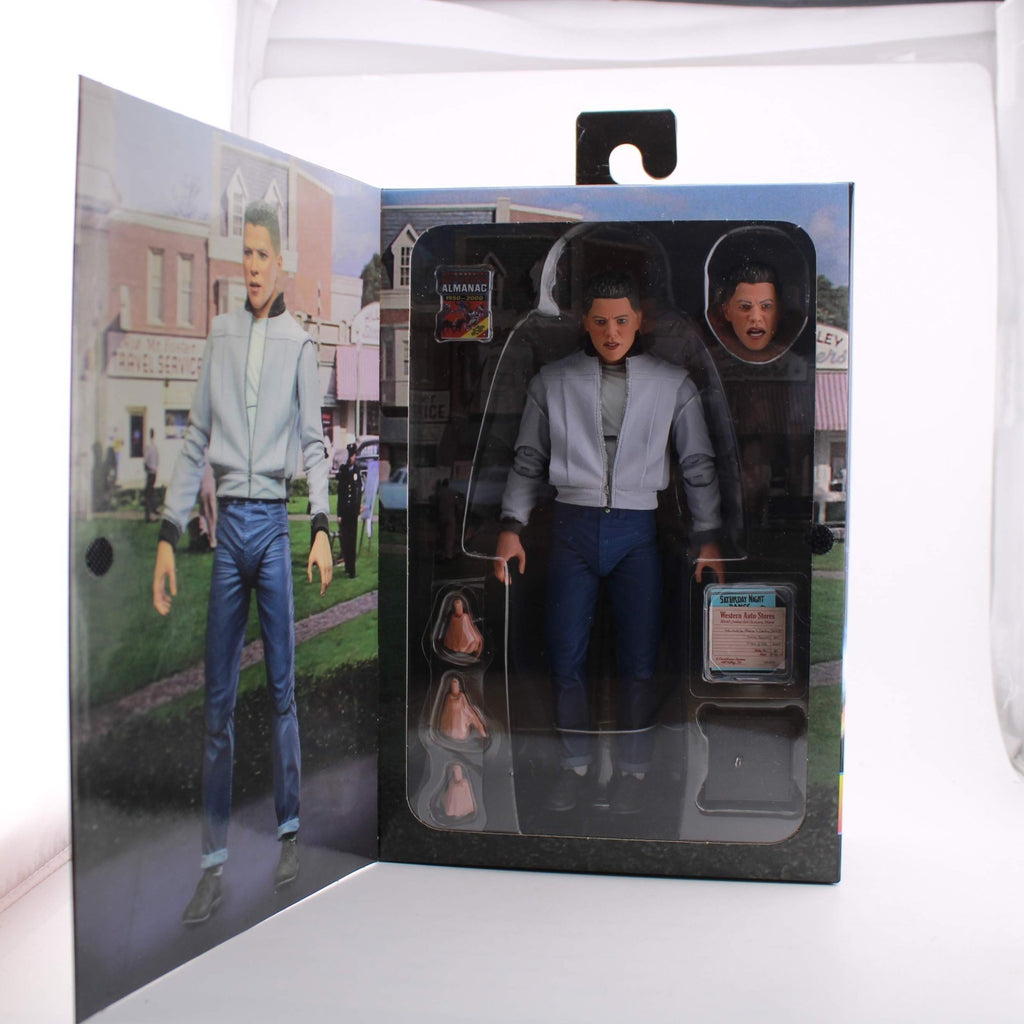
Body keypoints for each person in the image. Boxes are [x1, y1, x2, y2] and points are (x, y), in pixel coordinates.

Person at [152, 200, 333, 926]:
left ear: (280, 261)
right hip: (228, 532)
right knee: (217, 703)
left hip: (272, 529)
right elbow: (196, 437)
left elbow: (314, 443)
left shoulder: (300, 344)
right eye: (247, 253)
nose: (254, 266)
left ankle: (289, 835)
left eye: (264, 254)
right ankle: (212, 866)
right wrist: (169, 534)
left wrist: (320, 526)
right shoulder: (220, 336)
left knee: (283, 691)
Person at [493, 270, 724, 815]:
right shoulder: (552, 381)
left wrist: (709, 535)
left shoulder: (672, 383)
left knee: (640, 661)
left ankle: (635, 771)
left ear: (640, 319)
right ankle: (574, 767)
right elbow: (527, 458)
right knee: (565, 656)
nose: (611, 332)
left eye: (621, 320)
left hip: (638, 532)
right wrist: (511, 525)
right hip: (570, 529)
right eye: (600, 321)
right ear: (584, 321)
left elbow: (697, 464)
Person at [714, 262, 786, 362]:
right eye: (745, 307)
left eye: (766, 306)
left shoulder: (797, 365)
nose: (755, 317)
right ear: (727, 311)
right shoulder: (709, 360)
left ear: (779, 311)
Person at [336, 443, 363, 578]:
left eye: (354, 455)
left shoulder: (357, 471)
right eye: (351, 455)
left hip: (352, 512)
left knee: (352, 541)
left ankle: (352, 570)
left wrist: (358, 508)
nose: (353, 458)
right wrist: (339, 514)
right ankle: (347, 566)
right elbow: (341, 493)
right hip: (344, 511)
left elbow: (358, 491)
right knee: (345, 540)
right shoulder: (343, 470)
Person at [143, 428, 159, 522]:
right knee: (151, 493)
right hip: (154, 472)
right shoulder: (155, 448)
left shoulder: (149, 447)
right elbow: (157, 460)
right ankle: (153, 511)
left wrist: (146, 469)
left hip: (150, 473)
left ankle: (148, 515)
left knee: (148, 495)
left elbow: (145, 461)